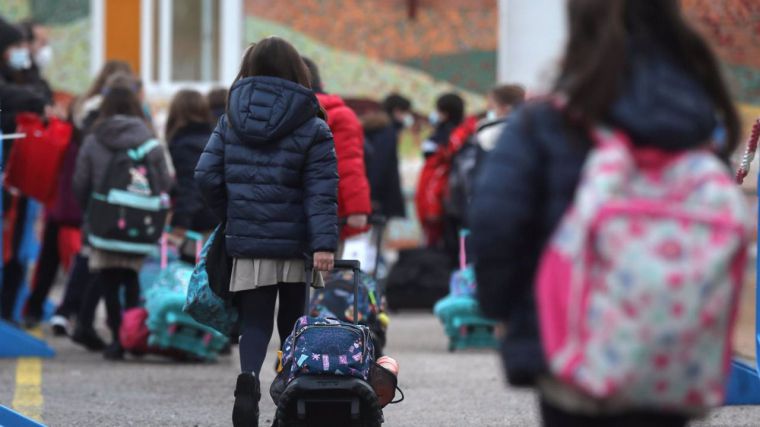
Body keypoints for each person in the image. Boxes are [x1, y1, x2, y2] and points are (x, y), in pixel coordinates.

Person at [469, 1, 739, 426]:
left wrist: (503, 308)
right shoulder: (696, 122)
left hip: (569, 344)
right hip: (672, 341)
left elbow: (495, 223)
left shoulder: (546, 123)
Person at [195, 37, 338, 427]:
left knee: (254, 320)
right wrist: (324, 244)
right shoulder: (312, 124)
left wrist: (233, 213)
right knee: (293, 324)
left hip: (248, 240)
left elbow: (205, 176)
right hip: (295, 243)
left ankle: (247, 383)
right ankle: (288, 397)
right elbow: (321, 193)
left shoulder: (230, 118)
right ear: (298, 70)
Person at [71, 72, 172, 359]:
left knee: (106, 278)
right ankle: (132, 336)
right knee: (131, 279)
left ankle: (116, 338)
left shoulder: (94, 139)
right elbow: (164, 182)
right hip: (140, 221)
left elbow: (80, 181)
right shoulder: (149, 140)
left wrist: (91, 210)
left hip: (103, 222)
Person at [47, 60, 135, 335]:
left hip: (98, 206)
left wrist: (88, 204)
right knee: (126, 270)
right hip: (133, 209)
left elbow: (80, 178)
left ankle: (73, 315)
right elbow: (162, 175)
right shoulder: (142, 131)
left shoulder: (90, 124)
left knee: (91, 259)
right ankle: (126, 328)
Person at [0, 17, 47, 323]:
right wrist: (33, 100)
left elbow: (40, 91)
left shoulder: (22, 75)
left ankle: (8, 312)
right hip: (8, 172)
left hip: (19, 174)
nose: (24, 51)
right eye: (17, 46)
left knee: (17, 245)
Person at [302, 57, 371, 240]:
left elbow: (348, 164)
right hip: (330, 211)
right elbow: (349, 164)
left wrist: (357, 210)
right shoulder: (341, 115)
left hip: (296, 213)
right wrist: (357, 209)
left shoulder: (284, 113)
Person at [165, 89, 218, 254]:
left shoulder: (184, 144)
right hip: (217, 217)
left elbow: (191, 185)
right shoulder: (214, 137)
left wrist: (180, 223)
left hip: (198, 223)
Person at [361, 94, 412, 219]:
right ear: (397, 111)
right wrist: (373, 196)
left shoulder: (375, 128)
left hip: (370, 191)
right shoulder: (388, 132)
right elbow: (380, 164)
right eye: (405, 113)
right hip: (381, 197)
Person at [421, 93, 464, 158]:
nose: (436, 113)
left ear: (446, 114)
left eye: (438, 110)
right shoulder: (459, 129)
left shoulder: (448, 133)